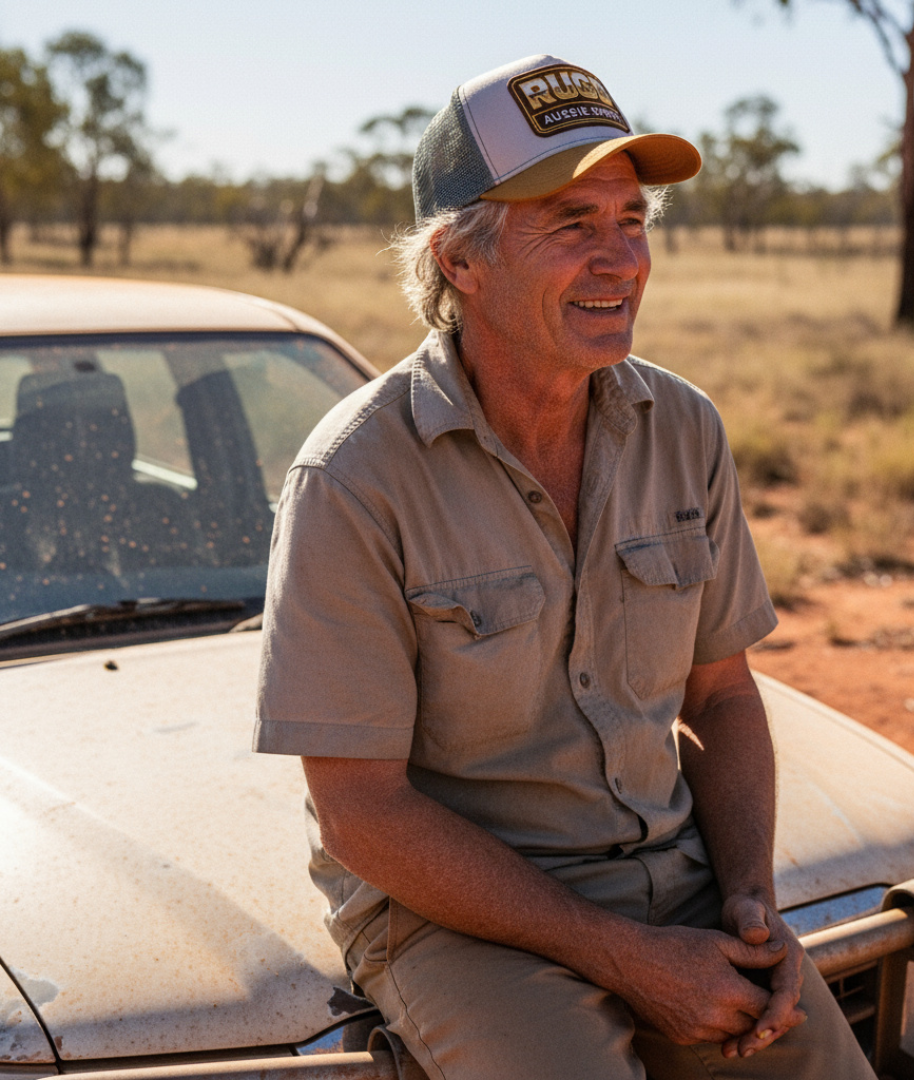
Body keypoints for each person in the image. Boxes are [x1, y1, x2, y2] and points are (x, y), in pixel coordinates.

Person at [254, 54, 876, 1080]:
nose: (620, 260)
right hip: (453, 920)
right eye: (573, 225)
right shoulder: (356, 477)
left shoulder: (683, 426)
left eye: (632, 221)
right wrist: (627, 959)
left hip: (671, 882)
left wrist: (749, 901)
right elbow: (360, 810)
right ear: (462, 261)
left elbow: (719, 695)